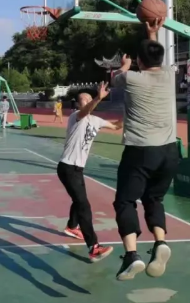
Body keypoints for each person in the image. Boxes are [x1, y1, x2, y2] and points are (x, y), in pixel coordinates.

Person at [111, 17, 179, 281]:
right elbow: (154, 58)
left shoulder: (130, 78)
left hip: (140, 150)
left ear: (138, 61)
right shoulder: (170, 75)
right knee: (154, 199)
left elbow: (115, 78)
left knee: (125, 201)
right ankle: (160, 242)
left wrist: (124, 65)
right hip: (169, 151)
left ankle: (131, 255)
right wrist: (153, 33)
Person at [57, 82, 121, 263]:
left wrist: (132, 112)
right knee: (84, 205)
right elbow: (86, 110)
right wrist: (98, 98)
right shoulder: (76, 116)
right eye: (83, 100)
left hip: (77, 169)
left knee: (79, 200)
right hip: (67, 167)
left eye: (89, 99)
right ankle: (94, 247)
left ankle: (72, 226)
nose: (87, 102)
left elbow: (116, 126)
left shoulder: (96, 120)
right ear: (78, 104)